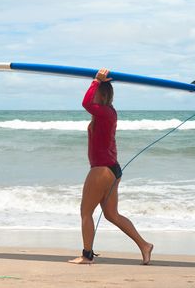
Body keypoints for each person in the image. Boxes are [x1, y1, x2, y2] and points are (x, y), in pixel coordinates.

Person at [68, 68, 154, 265]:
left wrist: (96, 81)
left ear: (102, 94)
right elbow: (89, 104)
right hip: (111, 169)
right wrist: (96, 82)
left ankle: (86, 255)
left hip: (101, 169)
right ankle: (144, 245)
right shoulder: (107, 113)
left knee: (86, 212)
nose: (94, 94)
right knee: (111, 215)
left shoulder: (106, 113)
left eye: (97, 91)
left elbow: (85, 103)